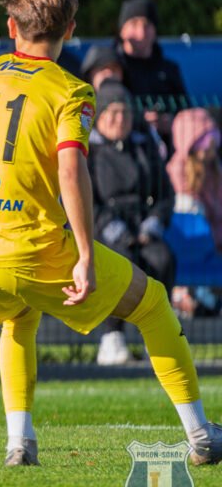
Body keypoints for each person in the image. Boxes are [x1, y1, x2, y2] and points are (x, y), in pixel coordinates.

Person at [0, 0, 222, 467]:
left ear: (11, 27)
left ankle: (19, 443)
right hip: (34, 253)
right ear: (70, 30)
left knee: (18, 317)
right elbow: (70, 169)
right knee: (151, 303)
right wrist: (85, 253)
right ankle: (201, 434)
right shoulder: (72, 91)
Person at [88, 81, 175, 365]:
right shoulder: (90, 152)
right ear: (100, 116)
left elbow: (165, 194)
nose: (119, 120)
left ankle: (156, 335)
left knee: (162, 260)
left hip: (142, 227)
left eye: (124, 113)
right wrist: (115, 230)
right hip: (105, 230)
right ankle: (112, 336)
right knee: (119, 264)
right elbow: (87, 201)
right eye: (112, 113)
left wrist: (152, 224)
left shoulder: (143, 147)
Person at [167, 108, 222, 318]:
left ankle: (204, 298)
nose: (211, 148)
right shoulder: (177, 169)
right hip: (191, 237)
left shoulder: (214, 170)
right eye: (206, 142)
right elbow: (187, 209)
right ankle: (191, 296)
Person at [115, 0, 188, 154]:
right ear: (122, 30)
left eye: (147, 25)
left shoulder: (169, 70)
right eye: (134, 24)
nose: (141, 32)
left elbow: (186, 110)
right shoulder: (112, 67)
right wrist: (138, 120)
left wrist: (172, 122)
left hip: (169, 152)